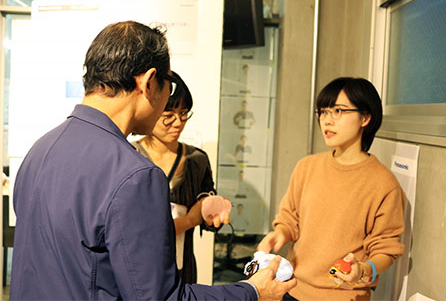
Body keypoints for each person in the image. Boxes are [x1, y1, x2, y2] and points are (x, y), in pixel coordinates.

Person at [10, 20, 296, 300]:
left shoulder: (40, 151)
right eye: (168, 87)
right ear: (148, 82)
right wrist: (252, 291)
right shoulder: (134, 174)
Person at [257, 77, 405, 300]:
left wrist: (363, 270)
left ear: (365, 118)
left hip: (344, 296)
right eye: (323, 112)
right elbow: (290, 220)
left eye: (338, 111)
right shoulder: (306, 167)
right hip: (292, 289)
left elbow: (386, 249)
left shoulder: (383, 183)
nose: (327, 120)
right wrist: (279, 234)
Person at [130, 71, 219, 284]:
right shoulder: (129, 156)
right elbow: (137, 229)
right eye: (168, 115)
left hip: (182, 271)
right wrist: (188, 220)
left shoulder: (197, 160)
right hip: (138, 272)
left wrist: (213, 214)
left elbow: (207, 214)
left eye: (184, 113)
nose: (178, 122)